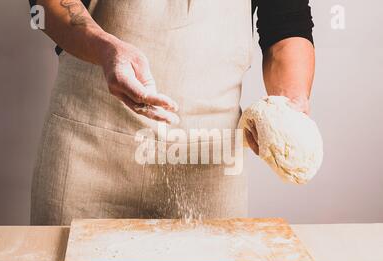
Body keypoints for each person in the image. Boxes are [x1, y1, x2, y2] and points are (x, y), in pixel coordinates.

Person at [29, 0, 315, 225]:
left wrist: (289, 105)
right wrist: (104, 48)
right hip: (88, 151)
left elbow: (286, 26)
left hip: (210, 161)